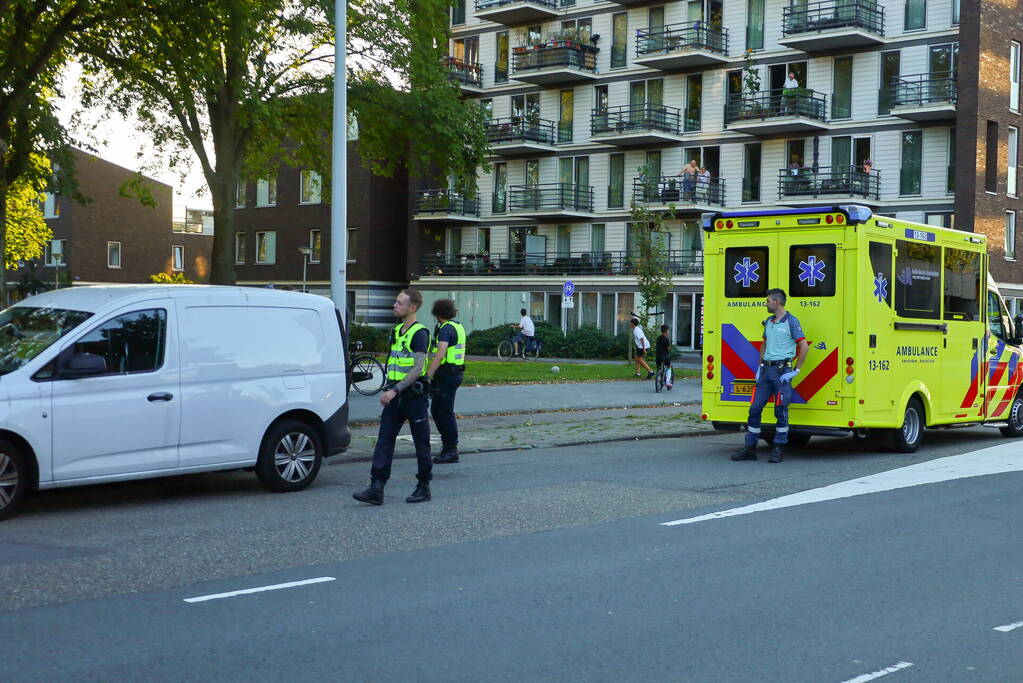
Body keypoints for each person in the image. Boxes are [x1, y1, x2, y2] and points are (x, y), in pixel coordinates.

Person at [353, 289, 433, 505]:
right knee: (384, 441)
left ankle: (423, 486)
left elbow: (417, 368)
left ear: (412, 308)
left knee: (421, 443)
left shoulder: (420, 333)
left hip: (413, 397)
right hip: (395, 397)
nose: (394, 305)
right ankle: (376, 487)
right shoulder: (397, 331)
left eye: (399, 303)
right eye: (396, 302)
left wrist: (395, 389)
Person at [732, 288, 809, 464]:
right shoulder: (769, 321)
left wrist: (796, 370)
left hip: (782, 371)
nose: (765, 304)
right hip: (766, 372)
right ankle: (750, 448)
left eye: (768, 301)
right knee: (754, 409)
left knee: (780, 411)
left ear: (777, 302)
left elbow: (804, 346)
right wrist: (760, 366)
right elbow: (764, 344)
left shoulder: (792, 321)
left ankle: (778, 449)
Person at [427, 298, 465, 464]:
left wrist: (427, 375)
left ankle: (451, 449)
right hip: (453, 374)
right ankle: (448, 447)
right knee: (439, 410)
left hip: (446, 376)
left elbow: (440, 354)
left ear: (437, 313)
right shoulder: (457, 326)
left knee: (443, 412)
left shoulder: (445, 330)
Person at [655, 324, 673, 389]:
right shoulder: (667, 339)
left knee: (659, 368)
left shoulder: (658, 338)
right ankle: (667, 381)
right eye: (668, 331)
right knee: (669, 366)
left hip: (658, 356)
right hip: (665, 356)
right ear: (666, 331)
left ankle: (659, 376)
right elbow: (669, 348)